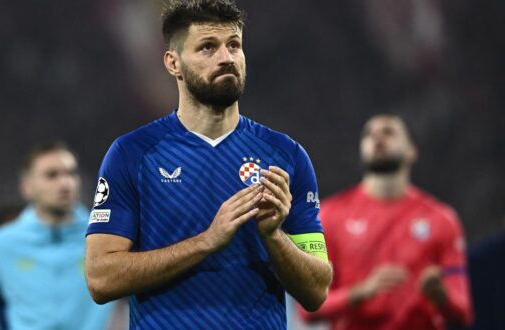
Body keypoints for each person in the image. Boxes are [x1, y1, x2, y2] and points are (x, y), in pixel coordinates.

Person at [84, 0, 333, 329]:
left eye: (234, 45)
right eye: (207, 47)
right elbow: (101, 279)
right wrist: (206, 241)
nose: (226, 58)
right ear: (173, 63)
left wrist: (274, 237)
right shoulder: (133, 153)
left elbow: (316, 291)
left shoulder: (286, 155)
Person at [297, 114, 473, 329]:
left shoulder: (442, 219)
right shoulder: (329, 216)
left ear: (411, 151)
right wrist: (360, 292)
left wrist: (441, 295)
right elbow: (308, 308)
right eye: (369, 134)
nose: (378, 138)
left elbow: (463, 311)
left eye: (389, 132)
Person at [0, 142, 116, 330]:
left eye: (71, 173)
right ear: (27, 187)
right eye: (51, 175)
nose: (65, 183)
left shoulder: (103, 237)